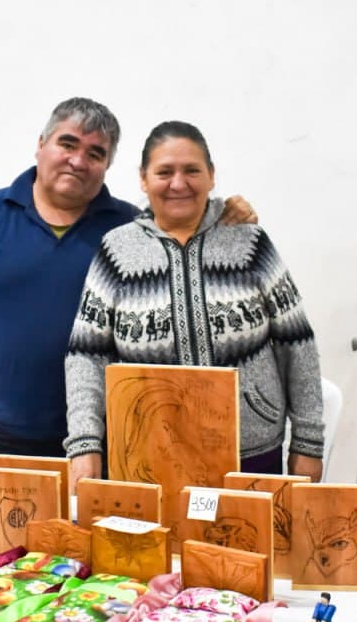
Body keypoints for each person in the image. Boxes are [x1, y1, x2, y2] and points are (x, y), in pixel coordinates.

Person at [0, 98, 253, 457]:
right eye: (67, 144)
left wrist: (224, 217)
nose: (78, 161)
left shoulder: (132, 229)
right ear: (41, 144)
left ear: (107, 165)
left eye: (95, 154)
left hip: (110, 442)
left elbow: (187, 246)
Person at [64, 120, 324, 485]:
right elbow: (86, 356)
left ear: (212, 175)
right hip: (148, 456)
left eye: (192, 170)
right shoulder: (117, 251)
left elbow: (297, 344)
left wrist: (308, 445)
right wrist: (85, 444)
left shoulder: (249, 242)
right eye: (164, 172)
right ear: (143, 178)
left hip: (249, 456)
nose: (178, 183)